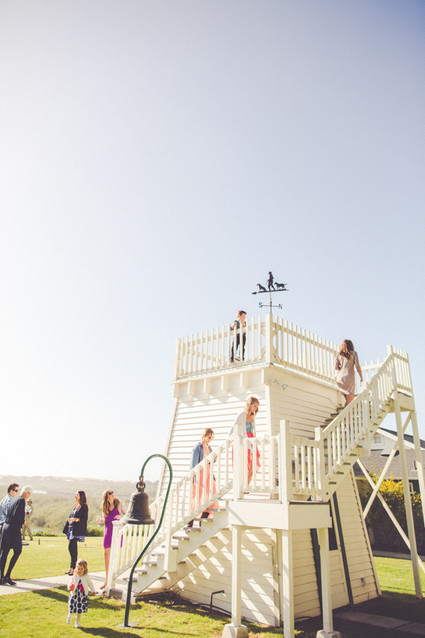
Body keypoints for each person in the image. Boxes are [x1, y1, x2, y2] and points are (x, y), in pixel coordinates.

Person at [0, 485, 33, 586]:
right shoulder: (21, 501)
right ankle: (7, 576)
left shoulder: (15, 499)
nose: (29, 495)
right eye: (29, 494)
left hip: (6, 526)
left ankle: (1, 577)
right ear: (26, 493)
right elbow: (16, 514)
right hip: (13, 528)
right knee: (18, 551)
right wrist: (22, 521)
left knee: (4, 552)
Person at [187, 429, 219, 528]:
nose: (210, 439)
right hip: (200, 474)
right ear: (204, 436)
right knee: (198, 497)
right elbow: (194, 463)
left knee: (211, 494)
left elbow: (211, 460)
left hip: (208, 473)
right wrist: (194, 476)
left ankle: (203, 517)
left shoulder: (209, 447)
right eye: (209, 437)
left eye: (211, 438)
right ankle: (190, 522)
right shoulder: (198, 447)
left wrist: (215, 458)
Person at [98, 490, 126, 589]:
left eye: (113, 493)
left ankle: (112, 579)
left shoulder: (119, 503)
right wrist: (101, 520)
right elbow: (105, 519)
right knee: (106, 555)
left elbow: (127, 515)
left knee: (114, 555)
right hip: (108, 530)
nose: (113, 495)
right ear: (106, 496)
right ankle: (106, 579)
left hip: (117, 531)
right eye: (110, 494)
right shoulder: (104, 506)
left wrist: (121, 516)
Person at [229, 396, 261, 484]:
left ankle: (246, 484)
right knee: (245, 464)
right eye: (254, 406)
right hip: (244, 440)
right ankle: (243, 485)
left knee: (254, 461)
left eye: (257, 407)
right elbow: (233, 427)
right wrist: (228, 440)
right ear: (249, 405)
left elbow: (253, 431)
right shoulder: (242, 414)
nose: (256, 408)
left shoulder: (252, 416)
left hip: (252, 440)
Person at [63, 491, 88, 575]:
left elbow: (83, 518)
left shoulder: (84, 506)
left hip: (77, 530)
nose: (75, 496)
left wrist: (74, 519)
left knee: (72, 548)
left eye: (77, 495)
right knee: (71, 548)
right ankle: (71, 567)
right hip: (71, 529)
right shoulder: (77, 506)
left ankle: (74, 569)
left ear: (81, 496)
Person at [66, 558, 96, 628]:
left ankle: (77, 623)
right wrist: (70, 587)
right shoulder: (75, 576)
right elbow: (70, 583)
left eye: (81, 569)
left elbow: (90, 583)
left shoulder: (86, 576)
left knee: (79, 610)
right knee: (72, 607)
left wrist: (93, 590)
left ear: (85, 569)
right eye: (78, 568)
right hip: (74, 595)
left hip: (82, 596)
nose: (79, 570)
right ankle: (69, 616)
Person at [335, 339, 363, 406]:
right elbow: (357, 366)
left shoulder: (339, 354)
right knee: (350, 402)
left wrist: (342, 367)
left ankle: (345, 412)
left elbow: (336, 367)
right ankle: (345, 413)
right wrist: (361, 377)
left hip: (340, 378)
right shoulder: (354, 353)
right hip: (349, 378)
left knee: (347, 402)